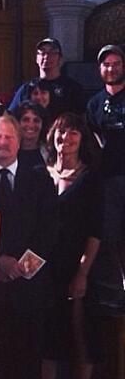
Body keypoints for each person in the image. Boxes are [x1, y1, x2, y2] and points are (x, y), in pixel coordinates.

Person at [0, 114, 57, 379]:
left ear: (19, 140)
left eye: (8, 137)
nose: (3, 142)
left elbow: (50, 227)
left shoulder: (38, 177)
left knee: (27, 363)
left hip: (29, 287)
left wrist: (21, 266)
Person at [40, 113, 102, 379]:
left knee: (79, 339)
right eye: (62, 133)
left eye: (74, 133)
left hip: (78, 268)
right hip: (44, 269)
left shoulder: (91, 179)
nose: (67, 139)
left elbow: (95, 231)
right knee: (47, 337)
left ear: (82, 138)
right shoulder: (42, 173)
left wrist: (82, 272)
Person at [85, 44, 125, 309]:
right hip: (106, 181)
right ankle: (117, 294)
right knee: (109, 238)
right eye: (106, 64)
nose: (111, 68)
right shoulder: (94, 103)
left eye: (116, 63)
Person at [8, 38, 85, 120]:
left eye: (52, 53)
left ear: (60, 59)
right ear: (37, 58)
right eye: (42, 53)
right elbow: (11, 116)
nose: (46, 56)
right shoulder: (27, 88)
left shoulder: (72, 89)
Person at [13, 101, 48, 171]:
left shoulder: (49, 154)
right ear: (17, 123)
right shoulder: (8, 151)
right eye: (26, 120)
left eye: (36, 120)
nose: (31, 125)